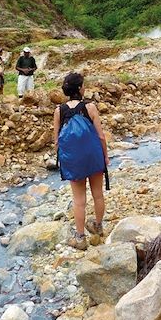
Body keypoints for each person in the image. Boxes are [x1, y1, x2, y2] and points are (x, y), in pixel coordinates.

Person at [53, 72, 108, 250]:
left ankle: (80, 237)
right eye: (83, 85)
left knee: (78, 200)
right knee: (98, 194)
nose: (85, 88)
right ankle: (98, 226)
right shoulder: (90, 108)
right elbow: (101, 136)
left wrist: (63, 159)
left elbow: (56, 140)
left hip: (74, 159)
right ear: (79, 88)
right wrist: (105, 156)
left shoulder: (59, 111)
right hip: (93, 156)